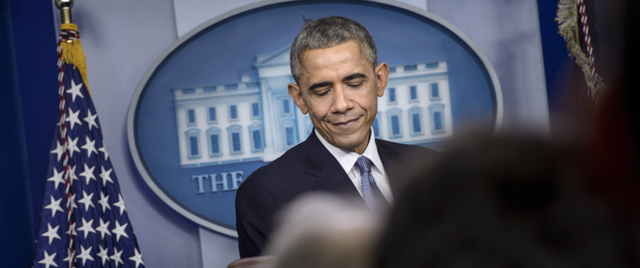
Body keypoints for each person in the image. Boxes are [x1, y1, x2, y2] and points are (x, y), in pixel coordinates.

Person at [235, 16, 438, 258]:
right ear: (299, 98)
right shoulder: (265, 193)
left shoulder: (431, 169)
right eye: (322, 91)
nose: (341, 105)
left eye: (354, 84)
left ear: (380, 80)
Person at [373, 134, 640, 268]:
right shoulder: (426, 180)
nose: (342, 105)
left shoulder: (419, 163)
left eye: (354, 82)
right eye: (327, 89)